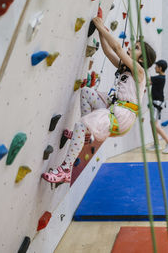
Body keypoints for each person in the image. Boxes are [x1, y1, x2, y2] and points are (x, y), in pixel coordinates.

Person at [41, 17, 156, 183]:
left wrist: (102, 27)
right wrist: (101, 31)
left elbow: (117, 48)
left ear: (142, 60)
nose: (131, 46)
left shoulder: (139, 71)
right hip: (115, 108)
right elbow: (109, 52)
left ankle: (66, 170)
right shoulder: (126, 69)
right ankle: (86, 135)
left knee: (81, 124)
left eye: (136, 48)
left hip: (121, 116)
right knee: (86, 92)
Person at [147, 60, 168, 154]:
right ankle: (156, 144)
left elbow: (147, 80)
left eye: (156, 66)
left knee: (155, 124)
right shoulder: (160, 78)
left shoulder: (159, 78)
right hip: (156, 102)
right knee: (152, 123)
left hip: (157, 103)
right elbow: (148, 83)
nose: (155, 68)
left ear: (160, 68)